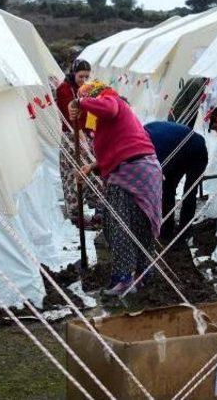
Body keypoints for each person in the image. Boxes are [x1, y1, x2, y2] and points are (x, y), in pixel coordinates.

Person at [69, 80, 162, 296]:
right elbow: (120, 149)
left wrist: (80, 101)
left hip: (130, 172)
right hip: (144, 170)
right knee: (139, 224)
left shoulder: (111, 99)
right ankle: (143, 275)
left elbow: (108, 108)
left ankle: (124, 279)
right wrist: (92, 167)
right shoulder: (117, 122)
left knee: (116, 224)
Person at [144, 121, 208, 243]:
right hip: (178, 152)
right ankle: (167, 229)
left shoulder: (156, 144)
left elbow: (155, 176)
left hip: (197, 151)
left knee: (189, 192)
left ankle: (184, 232)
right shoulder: (144, 133)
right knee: (168, 189)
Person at [55, 59, 101, 228]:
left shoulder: (86, 89)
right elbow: (70, 117)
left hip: (86, 134)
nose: (84, 79)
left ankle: (99, 209)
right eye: (81, 76)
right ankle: (76, 214)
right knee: (74, 174)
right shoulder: (64, 89)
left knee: (92, 171)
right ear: (73, 73)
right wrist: (82, 138)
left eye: (87, 76)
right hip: (72, 136)